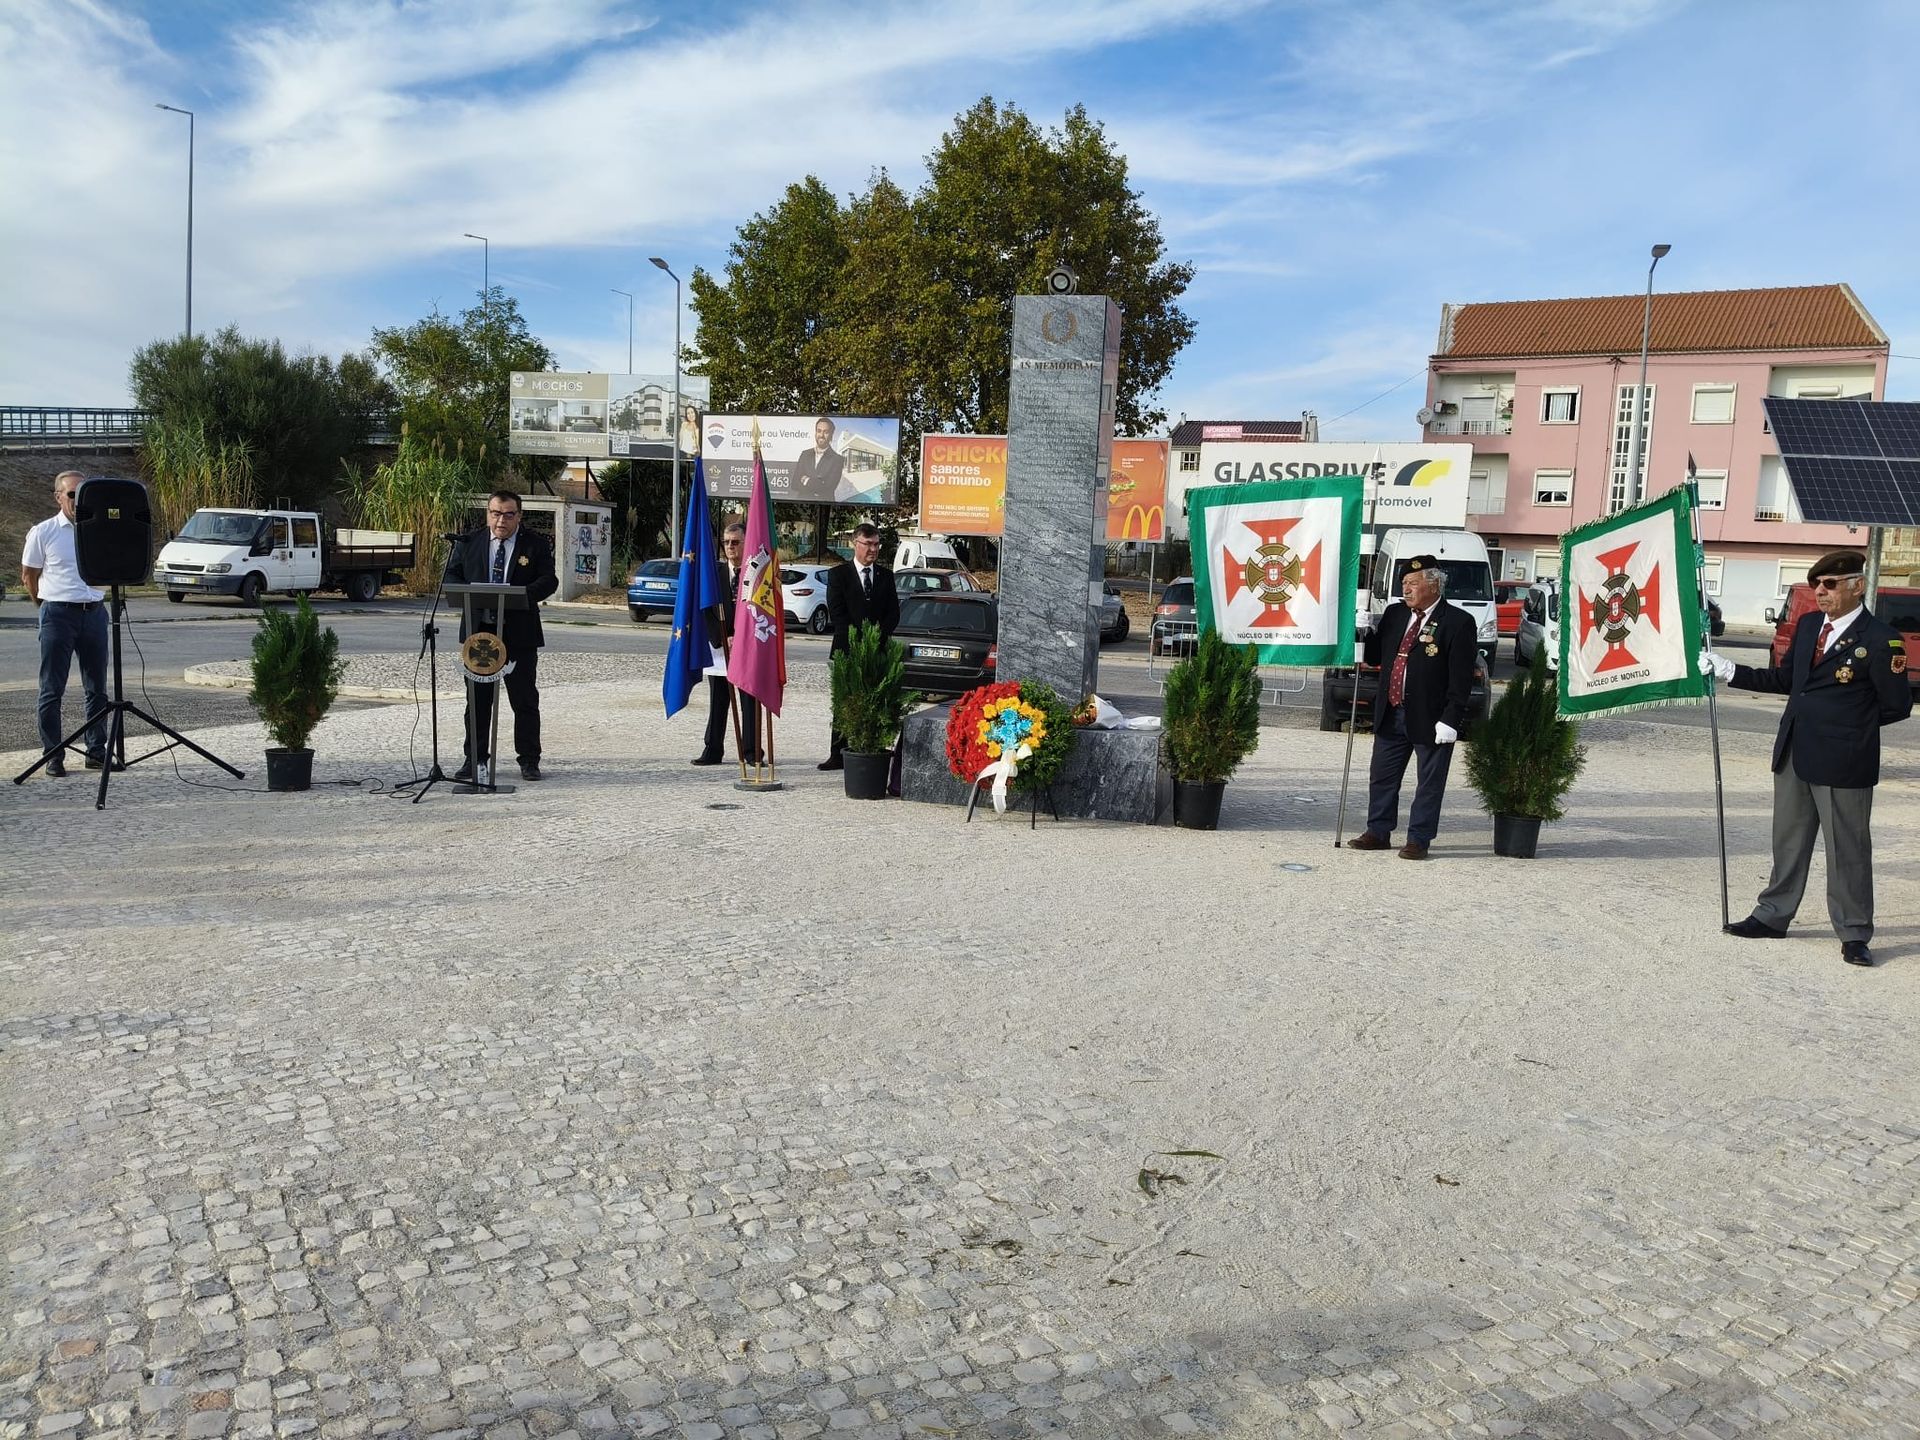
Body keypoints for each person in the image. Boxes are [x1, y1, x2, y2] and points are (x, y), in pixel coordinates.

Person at [1701, 549, 1912, 966]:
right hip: (1795, 750)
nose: (1820, 592)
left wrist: (1848, 729)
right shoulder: (1810, 625)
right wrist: (1730, 671)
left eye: (1830, 584)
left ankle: (1854, 932)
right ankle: (1773, 915)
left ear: (1856, 586)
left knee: (1848, 849)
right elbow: (1785, 680)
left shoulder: (1880, 639)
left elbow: (1897, 705)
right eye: (1816, 584)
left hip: (1844, 760)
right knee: (1788, 841)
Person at [1347, 555, 1475, 860]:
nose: (1406, 589)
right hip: (1392, 710)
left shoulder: (1457, 622)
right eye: (1404, 583)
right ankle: (1378, 831)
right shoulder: (1395, 614)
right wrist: (1361, 630)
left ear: (1434, 584)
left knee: (1429, 782)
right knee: (1382, 776)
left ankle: (1419, 838)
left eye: (1413, 583)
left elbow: (1461, 679)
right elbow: (1374, 657)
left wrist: (1451, 718)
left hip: (1431, 716)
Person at [445, 490, 558, 782]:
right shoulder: (469, 542)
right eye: (495, 513)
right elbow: (452, 576)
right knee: (477, 701)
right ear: (487, 514)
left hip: (519, 636)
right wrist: (469, 591)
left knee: (524, 700)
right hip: (480, 636)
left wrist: (520, 595)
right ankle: (475, 759)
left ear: (519, 516)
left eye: (508, 515)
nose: (501, 521)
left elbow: (549, 579)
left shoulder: (535, 544)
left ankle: (529, 760)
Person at [20, 471, 109, 776]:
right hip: (58, 614)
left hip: (94, 612)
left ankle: (96, 751)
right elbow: (29, 576)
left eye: (83, 494)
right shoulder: (43, 532)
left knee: (97, 689)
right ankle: (53, 755)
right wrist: (45, 607)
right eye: (72, 494)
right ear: (58, 497)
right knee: (52, 689)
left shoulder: (97, 529)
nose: (78, 500)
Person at [818, 521, 899, 770]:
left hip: (878, 650)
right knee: (844, 702)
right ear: (855, 543)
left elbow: (893, 614)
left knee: (874, 700)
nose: (873, 549)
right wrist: (859, 642)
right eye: (868, 544)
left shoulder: (885, 576)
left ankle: (869, 748)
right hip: (847, 649)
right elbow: (837, 612)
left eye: (877, 544)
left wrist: (876, 640)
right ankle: (838, 753)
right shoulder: (838, 575)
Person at [694, 520, 762, 767]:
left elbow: (761, 611)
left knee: (749, 701)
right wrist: (722, 638)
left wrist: (741, 639)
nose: (730, 547)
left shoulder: (756, 574)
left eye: (735, 542)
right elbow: (706, 610)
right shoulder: (715, 575)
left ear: (746, 543)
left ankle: (752, 751)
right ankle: (713, 749)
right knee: (718, 700)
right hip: (721, 648)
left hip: (747, 647)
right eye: (726, 542)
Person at [791, 417, 845, 501]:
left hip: (824, 505)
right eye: (819, 431)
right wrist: (819, 484)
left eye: (826, 432)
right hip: (802, 504)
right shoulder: (805, 454)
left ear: (831, 435)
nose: (821, 435)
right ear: (815, 433)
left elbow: (828, 488)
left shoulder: (838, 459)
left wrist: (805, 480)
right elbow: (794, 484)